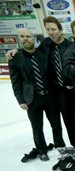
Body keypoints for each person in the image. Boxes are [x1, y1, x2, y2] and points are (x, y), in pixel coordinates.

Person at [9, 28, 65, 162]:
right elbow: (15, 81)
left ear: (33, 38)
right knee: (37, 127)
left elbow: (53, 39)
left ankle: (60, 146)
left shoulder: (43, 52)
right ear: (19, 39)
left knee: (56, 124)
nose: (25, 39)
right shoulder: (15, 58)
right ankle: (41, 150)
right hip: (32, 99)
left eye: (28, 36)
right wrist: (20, 100)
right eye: (22, 37)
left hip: (50, 96)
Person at [42, 16, 75, 150]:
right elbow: (33, 53)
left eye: (54, 29)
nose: (51, 32)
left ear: (61, 30)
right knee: (69, 121)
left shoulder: (71, 46)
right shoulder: (46, 44)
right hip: (61, 91)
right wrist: (15, 51)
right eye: (48, 29)